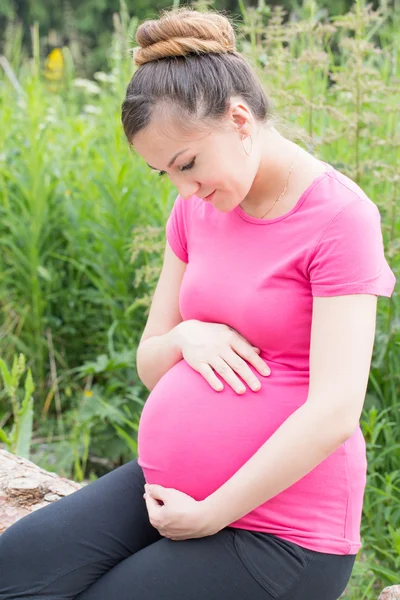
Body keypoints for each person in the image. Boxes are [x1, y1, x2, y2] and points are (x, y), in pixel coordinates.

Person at [0, 7, 396, 600]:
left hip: (281, 533)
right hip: (166, 492)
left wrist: (211, 512)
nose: (185, 190)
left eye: (188, 165)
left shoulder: (341, 218)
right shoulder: (197, 208)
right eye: (166, 175)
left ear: (240, 120)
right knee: (11, 572)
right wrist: (187, 337)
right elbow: (150, 362)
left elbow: (335, 412)